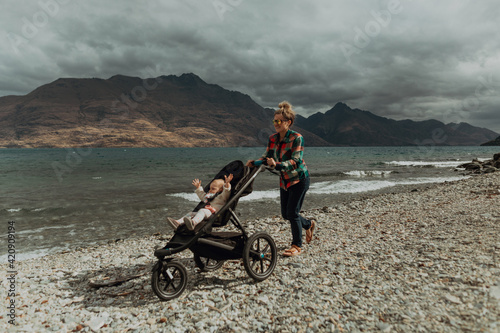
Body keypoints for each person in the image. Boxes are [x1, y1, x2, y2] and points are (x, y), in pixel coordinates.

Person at [246, 101, 316, 257]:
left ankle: (296, 246)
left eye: (279, 121)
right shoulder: (273, 138)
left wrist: (277, 164)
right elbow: (267, 157)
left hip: (299, 179)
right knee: (286, 214)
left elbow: (296, 161)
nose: (276, 124)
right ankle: (309, 224)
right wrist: (254, 163)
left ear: (288, 122)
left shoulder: (297, 138)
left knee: (292, 212)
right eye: (274, 121)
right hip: (285, 180)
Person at [167, 174, 233, 231]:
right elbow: (202, 196)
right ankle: (177, 223)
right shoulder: (210, 196)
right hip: (207, 213)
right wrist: (198, 187)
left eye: (213, 189)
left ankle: (193, 223)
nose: (210, 190)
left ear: (220, 189)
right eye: (210, 188)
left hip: (215, 215)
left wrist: (227, 184)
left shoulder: (222, 197)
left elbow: (226, 191)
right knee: (191, 213)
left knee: (202, 210)